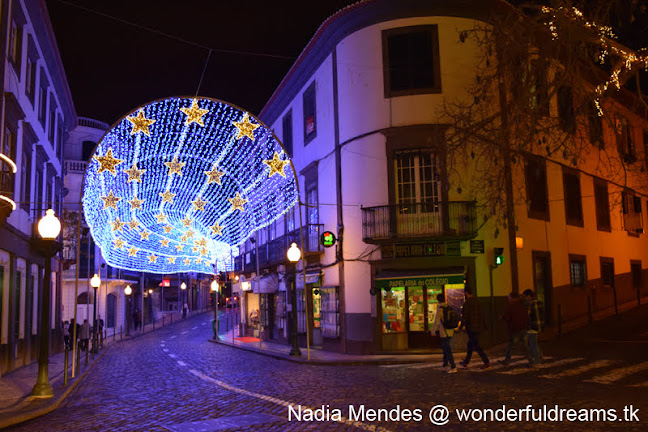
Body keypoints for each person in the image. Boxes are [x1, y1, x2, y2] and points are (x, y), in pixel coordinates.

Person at [459, 288, 490, 369]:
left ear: (466, 293)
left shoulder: (467, 303)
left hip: (471, 327)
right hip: (479, 326)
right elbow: (483, 315)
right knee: (470, 344)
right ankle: (466, 362)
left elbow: (465, 316)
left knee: (475, 345)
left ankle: (486, 361)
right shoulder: (479, 302)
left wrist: (461, 326)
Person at [431, 293, 459, 374]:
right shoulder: (448, 307)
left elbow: (436, 321)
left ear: (438, 300)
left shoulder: (440, 309)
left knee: (447, 349)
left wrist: (433, 331)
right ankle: (445, 364)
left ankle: (453, 366)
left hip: (444, 332)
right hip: (450, 331)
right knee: (445, 347)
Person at [500, 292, 529, 366]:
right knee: (525, 346)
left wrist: (502, 317)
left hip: (514, 329)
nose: (508, 299)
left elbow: (507, 317)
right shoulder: (523, 305)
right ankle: (531, 360)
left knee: (510, 346)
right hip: (524, 328)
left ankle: (507, 361)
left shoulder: (511, 306)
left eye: (509, 298)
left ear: (512, 298)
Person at [523, 289, 544, 365]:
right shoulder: (540, 302)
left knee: (532, 344)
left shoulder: (530, 304)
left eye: (525, 296)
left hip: (532, 326)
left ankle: (537, 360)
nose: (525, 298)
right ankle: (540, 356)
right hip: (539, 325)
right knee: (534, 342)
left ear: (529, 296)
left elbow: (527, 315)